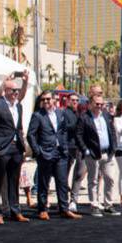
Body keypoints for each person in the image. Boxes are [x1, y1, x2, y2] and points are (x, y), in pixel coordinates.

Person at [27, 91, 80, 220]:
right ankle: (43, 209)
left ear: (53, 100)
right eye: (43, 99)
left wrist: (65, 147)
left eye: (48, 99)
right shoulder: (38, 115)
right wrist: (38, 151)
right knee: (44, 183)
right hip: (45, 153)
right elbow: (31, 135)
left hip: (60, 153)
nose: (46, 101)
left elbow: (63, 131)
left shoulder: (60, 113)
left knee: (62, 182)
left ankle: (64, 209)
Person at [0, 74, 27, 224]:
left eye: (17, 90)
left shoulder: (18, 106)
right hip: (2, 148)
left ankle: (15, 210)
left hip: (16, 148)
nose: (16, 93)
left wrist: (22, 144)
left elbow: (19, 127)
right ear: (6, 90)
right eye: (13, 90)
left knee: (14, 181)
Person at [75, 95, 118, 215]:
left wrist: (113, 147)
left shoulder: (106, 116)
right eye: (97, 104)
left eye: (101, 104)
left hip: (107, 154)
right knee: (93, 180)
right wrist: (85, 150)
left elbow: (112, 132)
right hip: (93, 154)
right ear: (90, 104)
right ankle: (94, 205)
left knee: (110, 179)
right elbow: (78, 135)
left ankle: (108, 204)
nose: (99, 106)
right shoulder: (84, 117)